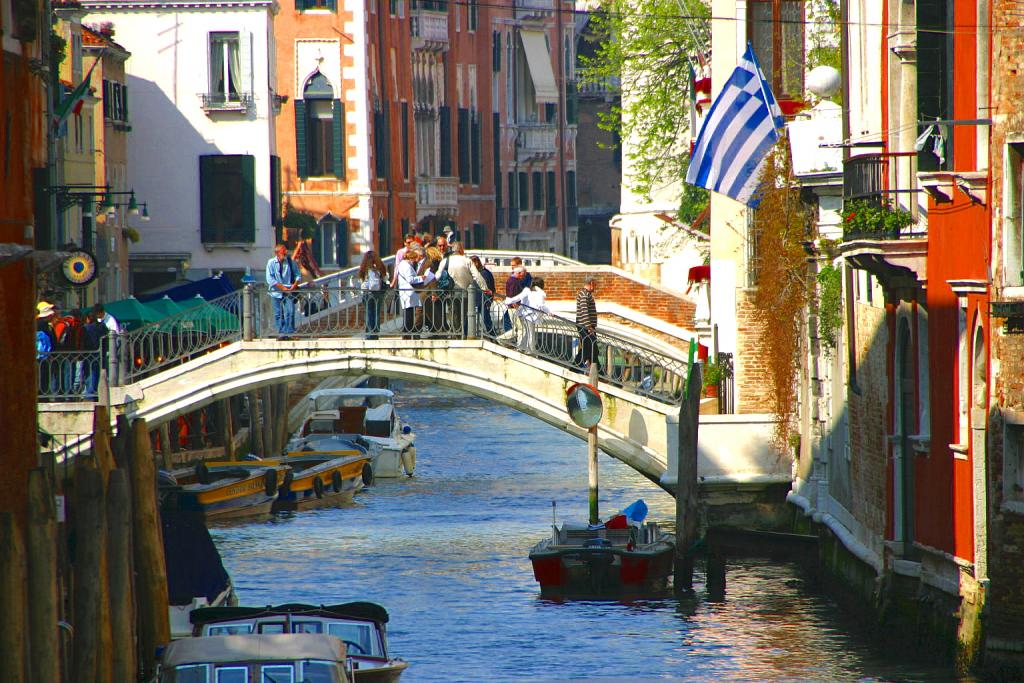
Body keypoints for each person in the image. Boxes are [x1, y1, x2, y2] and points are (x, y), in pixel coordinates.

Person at [437, 243, 486, 335]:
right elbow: (477, 276)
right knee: (464, 314)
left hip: (450, 292)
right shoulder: (467, 261)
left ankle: (456, 333)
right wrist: (485, 288)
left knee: (453, 313)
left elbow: (438, 276)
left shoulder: (445, 261)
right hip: (466, 292)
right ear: (461, 250)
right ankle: (463, 333)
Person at [499, 277, 551, 351]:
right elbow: (541, 305)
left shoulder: (527, 291)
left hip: (522, 314)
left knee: (524, 332)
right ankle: (530, 351)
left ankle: (522, 348)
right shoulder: (539, 293)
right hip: (531, 316)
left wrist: (508, 301)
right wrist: (549, 312)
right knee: (530, 334)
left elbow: (517, 298)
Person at [266, 242, 301, 339]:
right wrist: (282, 288)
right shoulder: (271, 263)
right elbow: (270, 279)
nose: (285, 255)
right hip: (276, 291)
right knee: (278, 313)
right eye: (283, 253)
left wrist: (295, 285)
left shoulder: (290, 262)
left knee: (290, 311)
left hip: (289, 290)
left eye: (285, 253)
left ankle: (289, 332)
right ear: (277, 253)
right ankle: (281, 333)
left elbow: (298, 274)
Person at [396, 248, 433, 338]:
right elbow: (410, 279)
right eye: (415, 259)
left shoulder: (402, 265)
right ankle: (407, 334)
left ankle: (408, 333)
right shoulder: (407, 266)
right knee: (409, 315)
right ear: (412, 258)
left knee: (410, 313)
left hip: (407, 292)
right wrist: (422, 278)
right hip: (409, 292)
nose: (415, 261)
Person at [358, 251, 389, 339]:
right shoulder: (380, 267)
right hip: (378, 293)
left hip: (367, 293)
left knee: (369, 313)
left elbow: (361, 280)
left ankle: (369, 334)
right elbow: (385, 278)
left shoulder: (364, 267)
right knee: (377, 313)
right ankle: (376, 334)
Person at [576, 277, 599, 370]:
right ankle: (574, 368)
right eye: (595, 285)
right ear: (591, 284)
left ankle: (597, 373)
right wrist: (589, 327)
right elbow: (584, 311)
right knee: (589, 349)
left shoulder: (586, 294)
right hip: (585, 327)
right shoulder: (584, 294)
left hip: (587, 326)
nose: (595, 287)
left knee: (593, 350)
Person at [470, 255, 495, 336]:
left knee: (486, 319)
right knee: (472, 317)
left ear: (477, 263)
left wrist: (489, 301)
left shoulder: (485, 273)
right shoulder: (476, 273)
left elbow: (489, 288)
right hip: (475, 299)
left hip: (483, 300)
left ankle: (492, 335)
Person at [36, 302, 56, 397]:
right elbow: (52, 340)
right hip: (44, 355)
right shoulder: (45, 326)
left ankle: (41, 394)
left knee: (39, 376)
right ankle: (43, 395)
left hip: (38, 355)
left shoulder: (35, 324)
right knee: (44, 377)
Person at [503, 265, 528, 332]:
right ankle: (501, 340)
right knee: (520, 329)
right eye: (524, 273)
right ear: (519, 273)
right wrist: (515, 304)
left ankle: (501, 340)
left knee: (517, 328)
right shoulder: (513, 281)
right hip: (513, 307)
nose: (524, 275)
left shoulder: (513, 280)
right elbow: (511, 294)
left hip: (513, 307)